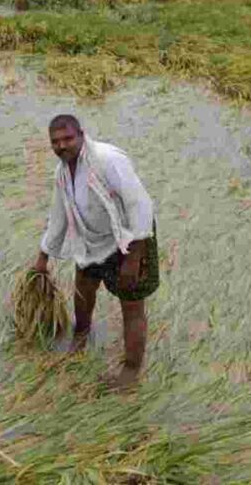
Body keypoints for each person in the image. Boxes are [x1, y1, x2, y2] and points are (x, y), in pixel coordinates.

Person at [31, 114, 159, 389]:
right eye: (56, 142)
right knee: (84, 288)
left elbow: (141, 204)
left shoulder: (107, 160)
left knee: (132, 304)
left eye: (68, 138)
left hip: (129, 237)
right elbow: (59, 216)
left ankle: (131, 371)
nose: (62, 146)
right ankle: (81, 335)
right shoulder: (62, 172)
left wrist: (134, 257)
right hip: (91, 238)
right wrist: (43, 256)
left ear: (81, 134)